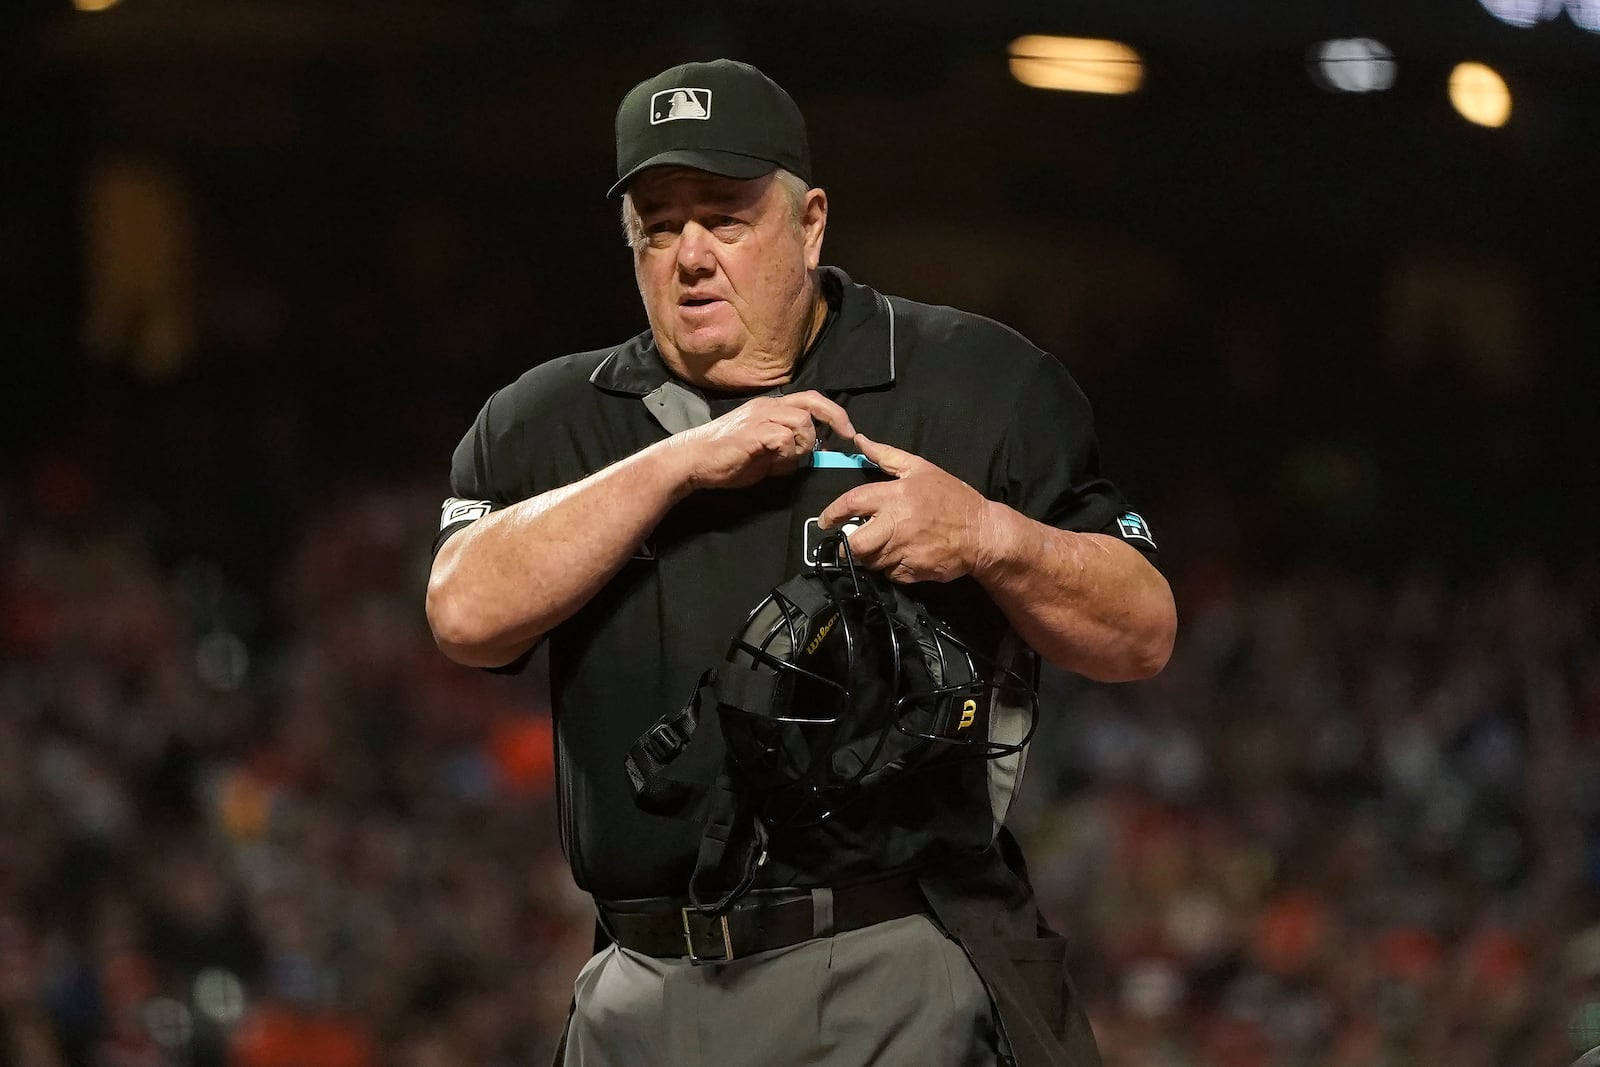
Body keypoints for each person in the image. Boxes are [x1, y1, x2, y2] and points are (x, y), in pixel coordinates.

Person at [426, 58, 1176, 1067]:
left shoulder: (974, 383)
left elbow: (1140, 630)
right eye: (658, 222)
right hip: (643, 984)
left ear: (809, 220)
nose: (690, 253)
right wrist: (678, 463)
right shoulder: (545, 420)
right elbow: (465, 612)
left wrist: (988, 533)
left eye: (725, 217)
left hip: (890, 958)